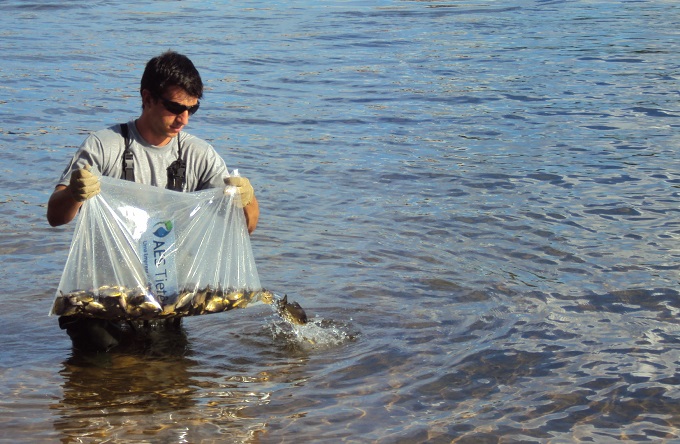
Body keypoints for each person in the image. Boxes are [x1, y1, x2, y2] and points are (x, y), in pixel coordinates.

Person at [47, 51, 260, 352]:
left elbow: (246, 227)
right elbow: (56, 216)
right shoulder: (104, 145)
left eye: (192, 110)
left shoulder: (198, 155)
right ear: (147, 98)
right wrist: (73, 193)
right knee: (101, 381)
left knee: (171, 388)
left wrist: (247, 200)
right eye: (175, 107)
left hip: (164, 299)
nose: (183, 119)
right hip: (101, 301)